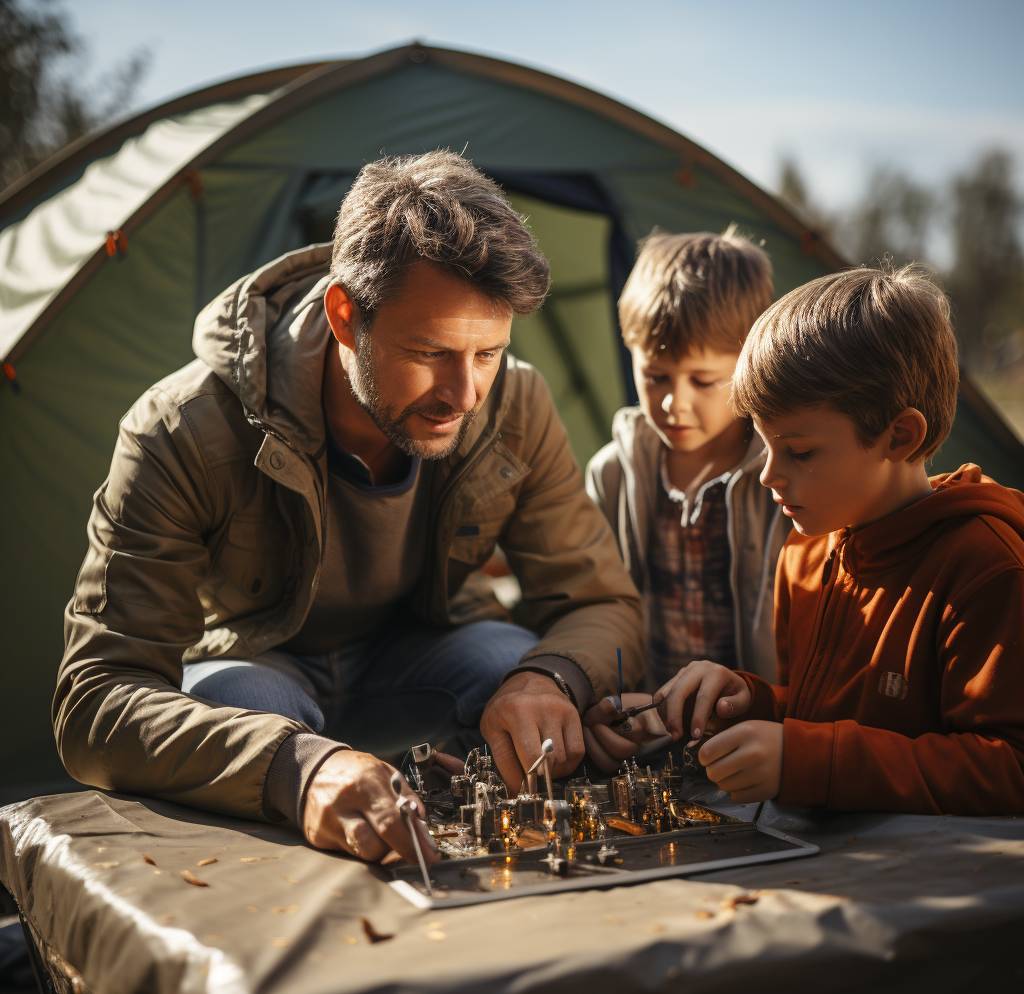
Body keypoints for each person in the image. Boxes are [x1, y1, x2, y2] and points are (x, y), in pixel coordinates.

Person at [55, 151, 644, 864]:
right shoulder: (180, 429)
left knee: (513, 662)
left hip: (421, 653)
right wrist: (299, 769)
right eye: (429, 351)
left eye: (487, 353)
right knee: (245, 700)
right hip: (256, 666)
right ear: (344, 315)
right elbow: (95, 697)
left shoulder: (517, 404)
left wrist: (549, 680)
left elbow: (601, 603)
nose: (463, 394)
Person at [594, 264, 1024, 815]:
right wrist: (747, 703)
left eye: (799, 452)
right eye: (764, 445)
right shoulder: (805, 555)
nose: (768, 474)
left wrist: (805, 760)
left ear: (900, 435)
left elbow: (1010, 765)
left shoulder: (985, 567)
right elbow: (819, 717)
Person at [584, 229, 786, 770]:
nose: (675, 402)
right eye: (655, 376)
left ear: (749, 362)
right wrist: (602, 708)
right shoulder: (612, 475)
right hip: (648, 737)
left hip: (760, 735)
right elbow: (589, 602)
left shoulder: (782, 474)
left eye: (703, 380)